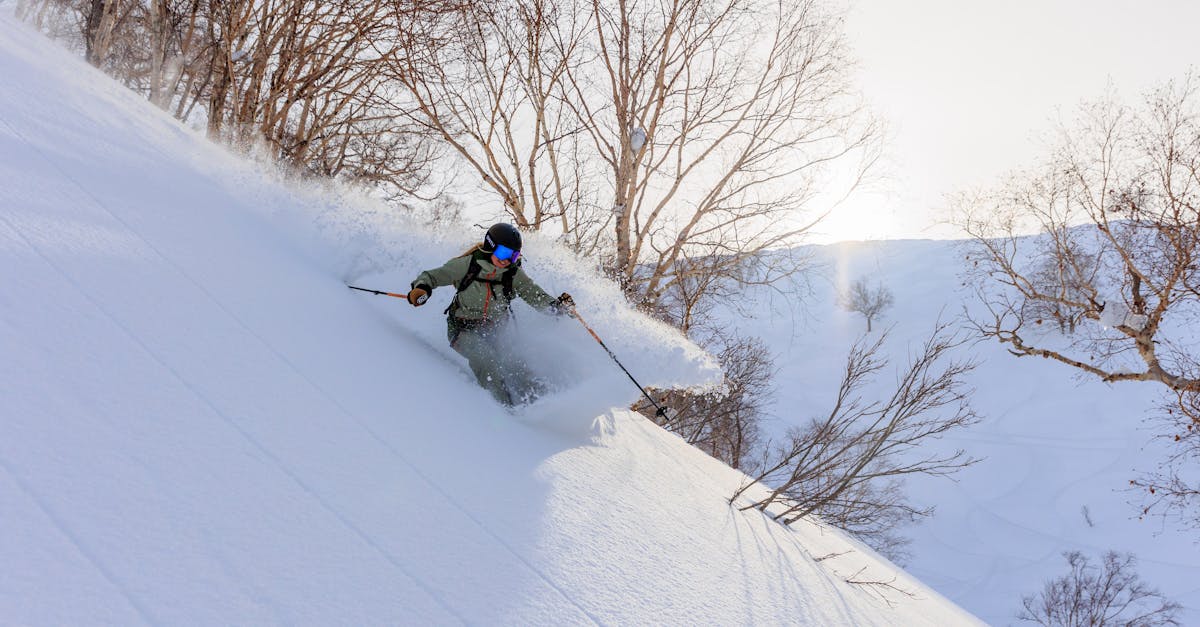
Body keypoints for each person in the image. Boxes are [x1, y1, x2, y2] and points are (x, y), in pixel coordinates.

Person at [408, 223, 574, 405]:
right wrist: (421, 289)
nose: (506, 260)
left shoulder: (513, 274)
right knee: (486, 360)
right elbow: (432, 276)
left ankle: (545, 405)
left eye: (513, 255)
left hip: (495, 332)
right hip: (463, 330)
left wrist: (557, 307)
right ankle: (503, 410)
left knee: (518, 365)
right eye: (503, 253)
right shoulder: (467, 265)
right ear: (490, 247)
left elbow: (533, 294)